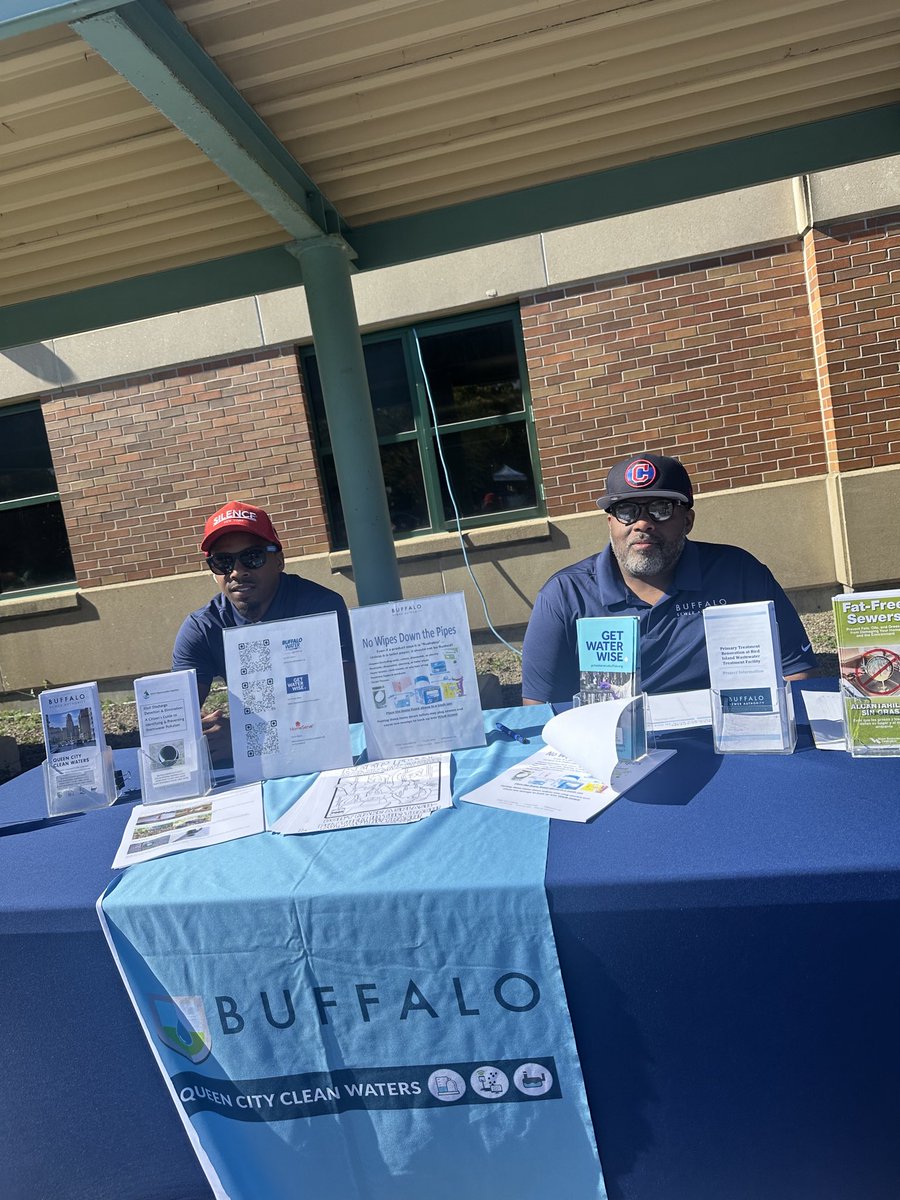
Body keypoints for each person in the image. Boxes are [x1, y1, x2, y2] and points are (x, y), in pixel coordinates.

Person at [521, 453, 816, 704]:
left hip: (730, 738)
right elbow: (542, 706)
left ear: (687, 521)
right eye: (626, 510)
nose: (643, 523)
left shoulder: (739, 574)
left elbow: (794, 671)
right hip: (616, 749)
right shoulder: (564, 595)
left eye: (660, 509)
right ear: (610, 523)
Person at [173, 502, 360, 754]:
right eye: (223, 562)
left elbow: (348, 709)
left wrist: (248, 737)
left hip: (321, 751)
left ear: (279, 561)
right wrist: (201, 729)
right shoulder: (203, 627)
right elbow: (176, 718)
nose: (237, 572)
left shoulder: (319, 607)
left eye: (252, 557)